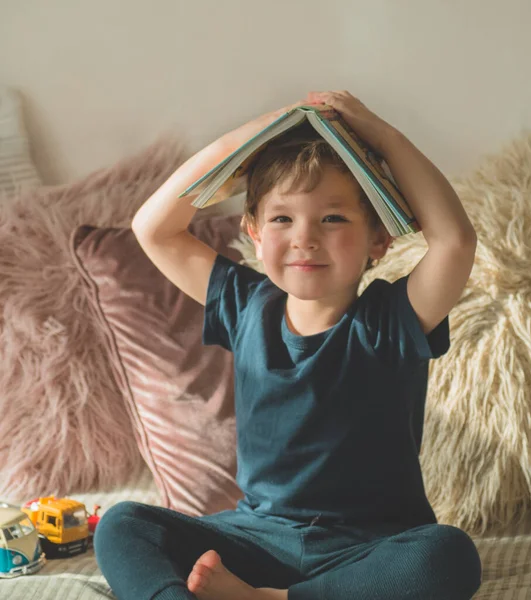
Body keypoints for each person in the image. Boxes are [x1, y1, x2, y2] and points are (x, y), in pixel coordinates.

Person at [94, 90, 482, 600]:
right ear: (253, 232)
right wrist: (263, 128)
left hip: (368, 547)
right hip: (257, 540)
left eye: (333, 218)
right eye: (282, 219)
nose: (305, 238)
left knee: (448, 555)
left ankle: (270, 599)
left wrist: (381, 135)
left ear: (379, 241)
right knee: (123, 524)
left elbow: (455, 241)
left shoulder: (392, 320)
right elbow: (154, 228)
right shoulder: (244, 304)